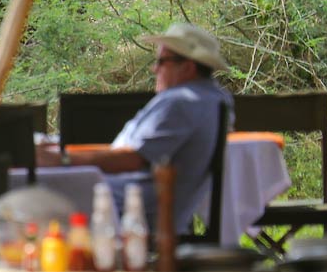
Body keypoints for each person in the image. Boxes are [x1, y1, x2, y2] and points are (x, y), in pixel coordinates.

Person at [40, 22, 233, 235]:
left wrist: (61, 160)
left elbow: (133, 158)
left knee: (25, 188)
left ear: (187, 67)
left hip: (131, 209)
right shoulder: (214, 98)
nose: (154, 68)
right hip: (143, 203)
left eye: (161, 61)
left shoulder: (181, 102)